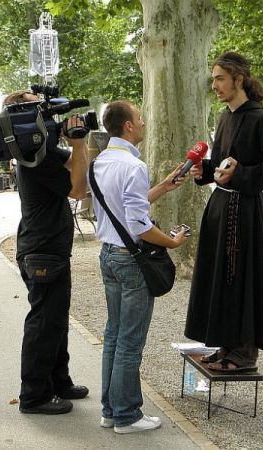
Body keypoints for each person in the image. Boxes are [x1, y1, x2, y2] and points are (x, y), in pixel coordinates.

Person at [184, 52, 263, 372]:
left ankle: (244, 353)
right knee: (222, 279)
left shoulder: (260, 119)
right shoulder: (224, 117)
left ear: (238, 80)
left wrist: (239, 176)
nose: (214, 85)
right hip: (221, 207)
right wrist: (204, 170)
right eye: (213, 79)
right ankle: (226, 344)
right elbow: (222, 164)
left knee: (242, 279)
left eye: (220, 79)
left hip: (244, 214)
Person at [91, 100, 187, 433]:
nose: (144, 122)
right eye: (140, 118)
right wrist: (172, 242)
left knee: (114, 337)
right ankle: (127, 415)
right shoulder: (134, 166)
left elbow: (118, 208)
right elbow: (137, 225)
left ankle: (110, 410)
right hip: (131, 259)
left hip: (108, 255)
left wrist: (162, 187)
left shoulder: (100, 161)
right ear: (128, 126)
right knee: (130, 341)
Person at [3, 90, 90, 415]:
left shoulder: (40, 150)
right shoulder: (35, 158)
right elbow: (79, 189)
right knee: (43, 323)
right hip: (42, 252)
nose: (43, 105)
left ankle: (58, 381)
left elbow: (76, 164)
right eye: (34, 102)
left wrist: (79, 139)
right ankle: (35, 396)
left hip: (48, 249)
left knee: (56, 320)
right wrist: (80, 144)